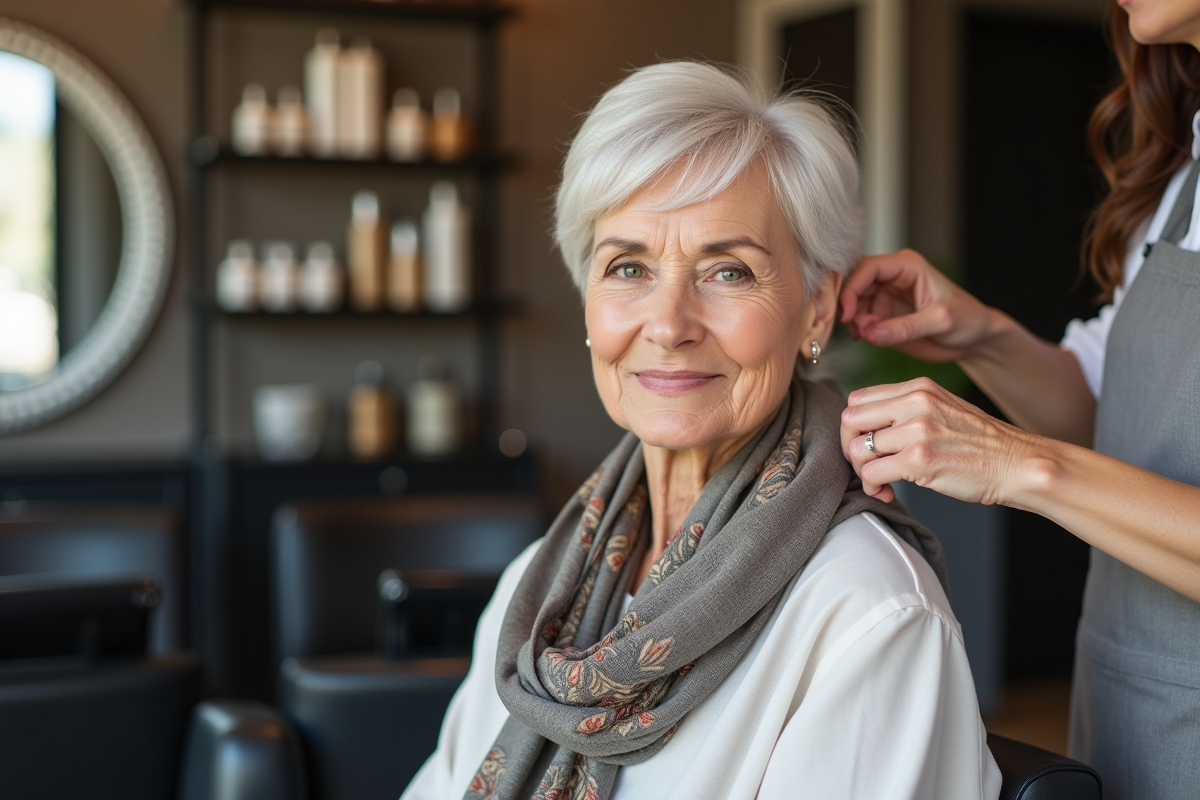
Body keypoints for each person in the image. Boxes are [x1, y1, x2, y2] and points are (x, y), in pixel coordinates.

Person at [402, 62, 1001, 800]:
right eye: (627, 267)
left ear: (816, 310)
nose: (668, 324)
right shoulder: (537, 591)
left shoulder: (868, 615)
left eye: (728, 273)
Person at [837, 3, 1200, 798]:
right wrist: (979, 335)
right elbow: (1118, 416)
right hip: (1128, 714)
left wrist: (1018, 465)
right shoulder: (1183, 171)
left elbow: (1067, 454)